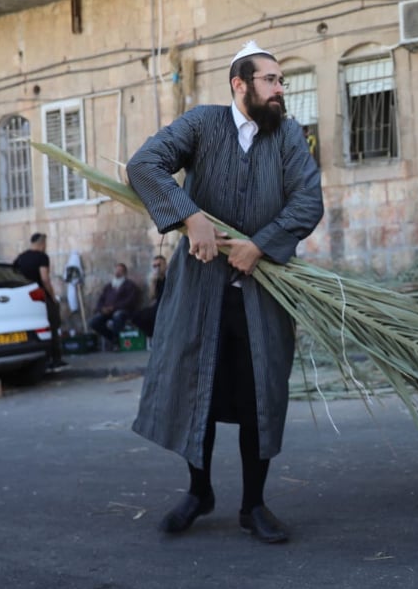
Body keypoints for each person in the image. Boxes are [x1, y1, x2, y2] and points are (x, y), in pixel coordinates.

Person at [127, 39, 323, 544]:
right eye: (271, 80)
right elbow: (143, 165)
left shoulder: (288, 137)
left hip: (264, 296)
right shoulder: (201, 124)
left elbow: (309, 202)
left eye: (281, 81)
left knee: (259, 396)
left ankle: (253, 505)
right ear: (241, 84)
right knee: (199, 391)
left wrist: (259, 245)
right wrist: (190, 216)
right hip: (200, 293)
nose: (281, 89)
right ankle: (199, 492)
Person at [13, 232, 67, 371]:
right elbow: (45, 279)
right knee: (52, 324)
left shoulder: (21, 258)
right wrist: (53, 297)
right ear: (42, 243)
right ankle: (55, 359)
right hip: (40, 296)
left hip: (24, 298)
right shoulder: (42, 257)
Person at [87, 263, 142, 348]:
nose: (117, 272)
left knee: (117, 316)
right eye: (116, 270)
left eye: (120, 270)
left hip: (123, 311)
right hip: (107, 312)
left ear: (124, 273)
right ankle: (113, 338)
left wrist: (114, 307)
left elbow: (130, 301)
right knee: (94, 322)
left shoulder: (130, 285)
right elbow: (101, 300)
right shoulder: (108, 286)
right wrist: (102, 309)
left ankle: (116, 342)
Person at [131, 254, 167, 338]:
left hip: (170, 304)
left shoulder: (171, 276)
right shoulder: (155, 279)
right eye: (154, 266)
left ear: (165, 265)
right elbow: (152, 297)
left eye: (159, 265)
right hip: (159, 305)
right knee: (136, 317)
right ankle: (153, 336)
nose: (157, 268)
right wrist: (152, 284)